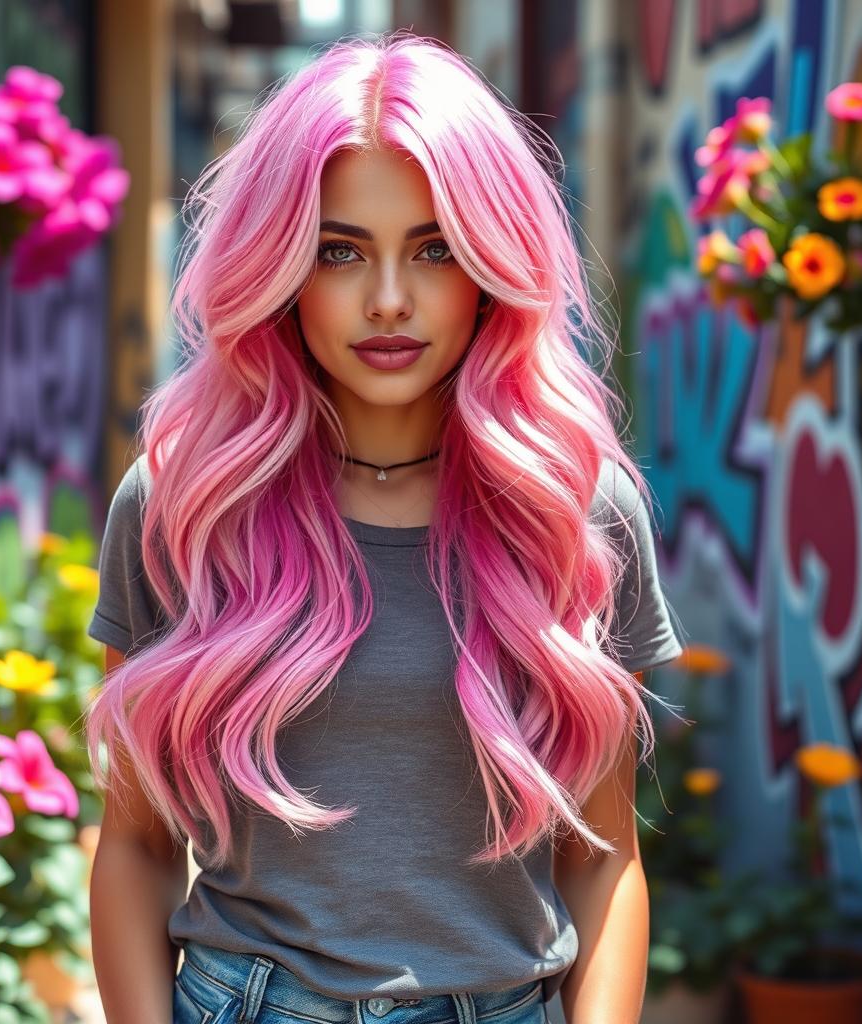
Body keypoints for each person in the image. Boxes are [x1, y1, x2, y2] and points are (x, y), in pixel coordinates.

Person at [84, 31, 683, 1024]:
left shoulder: (575, 513)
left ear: (494, 260)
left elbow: (602, 855)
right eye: (339, 250)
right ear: (279, 265)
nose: (391, 299)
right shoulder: (183, 507)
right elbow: (139, 846)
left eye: (435, 247)